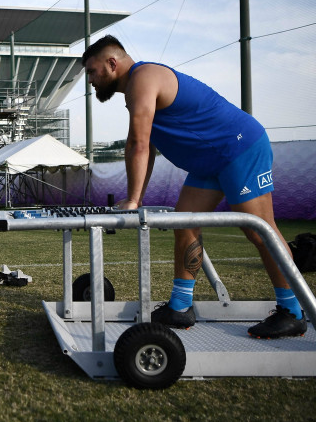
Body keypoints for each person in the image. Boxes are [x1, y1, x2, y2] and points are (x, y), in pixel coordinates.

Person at [82, 35, 305, 339]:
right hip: (209, 162)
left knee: (260, 230)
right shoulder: (136, 90)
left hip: (238, 149)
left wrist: (133, 201)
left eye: (92, 72)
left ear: (112, 64)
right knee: (184, 223)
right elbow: (144, 149)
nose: (91, 80)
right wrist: (135, 197)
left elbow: (138, 145)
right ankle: (180, 306)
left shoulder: (144, 78)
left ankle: (293, 311)